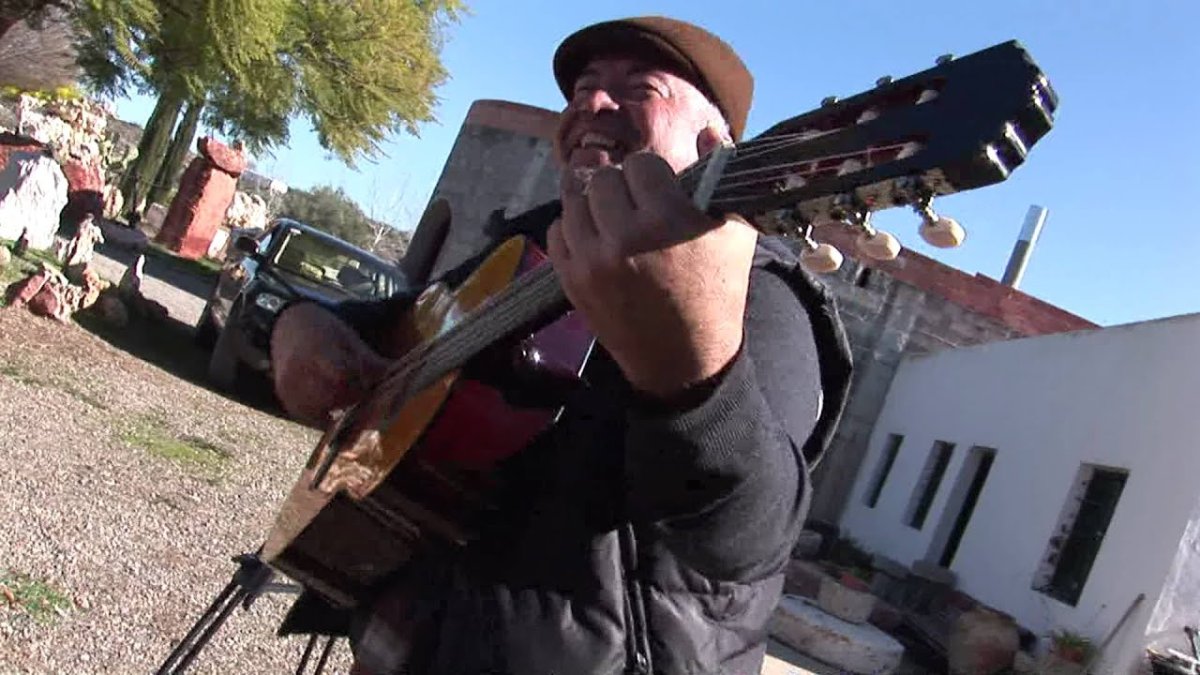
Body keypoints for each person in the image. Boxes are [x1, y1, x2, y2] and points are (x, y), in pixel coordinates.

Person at [269, 16, 853, 675]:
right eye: (582, 89)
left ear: (713, 140)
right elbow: (388, 321)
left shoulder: (760, 292)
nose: (594, 104)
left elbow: (746, 536)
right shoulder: (529, 246)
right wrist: (300, 325)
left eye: (640, 88)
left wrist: (691, 377)